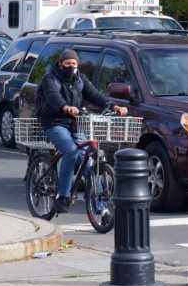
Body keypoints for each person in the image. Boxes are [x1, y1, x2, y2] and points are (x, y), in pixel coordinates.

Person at [35, 48, 127, 215]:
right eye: (68, 63)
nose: (71, 66)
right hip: (54, 122)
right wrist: (64, 107)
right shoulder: (51, 78)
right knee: (71, 151)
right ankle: (63, 196)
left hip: (74, 123)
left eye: (74, 63)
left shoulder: (80, 79)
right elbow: (53, 96)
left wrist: (114, 106)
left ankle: (101, 207)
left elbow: (96, 95)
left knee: (89, 162)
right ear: (60, 64)